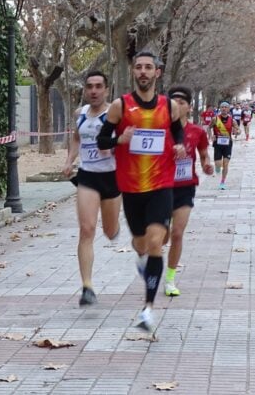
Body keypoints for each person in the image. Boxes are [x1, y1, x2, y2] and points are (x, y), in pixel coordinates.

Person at [96, 51, 185, 331]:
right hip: (131, 187)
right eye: (139, 68)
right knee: (141, 244)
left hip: (161, 185)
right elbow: (102, 141)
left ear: (157, 72)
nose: (144, 72)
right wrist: (119, 139)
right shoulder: (119, 106)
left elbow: (178, 133)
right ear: (134, 72)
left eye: (148, 67)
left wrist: (180, 146)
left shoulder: (169, 106)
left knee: (157, 242)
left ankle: (148, 308)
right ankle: (143, 260)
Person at [61, 71, 121, 306]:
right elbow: (77, 138)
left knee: (108, 230)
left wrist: (114, 148)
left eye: (98, 87)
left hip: (111, 176)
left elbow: (127, 140)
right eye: (89, 87)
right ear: (85, 90)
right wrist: (69, 160)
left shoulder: (115, 115)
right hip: (87, 176)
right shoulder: (80, 114)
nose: (94, 91)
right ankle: (87, 286)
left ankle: (113, 229)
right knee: (86, 230)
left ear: (106, 90)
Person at [164, 86, 213, 297]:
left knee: (177, 233)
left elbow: (203, 155)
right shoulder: (161, 130)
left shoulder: (197, 132)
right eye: (173, 103)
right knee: (161, 236)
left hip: (185, 187)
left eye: (181, 103)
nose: (177, 107)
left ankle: (170, 279)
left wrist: (207, 165)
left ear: (189, 107)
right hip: (161, 187)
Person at [210, 102, 235, 190]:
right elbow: (209, 128)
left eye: (226, 107)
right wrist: (211, 136)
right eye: (222, 107)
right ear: (220, 108)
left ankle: (222, 182)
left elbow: (238, 130)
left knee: (225, 163)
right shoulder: (215, 119)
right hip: (217, 143)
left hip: (228, 144)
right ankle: (217, 167)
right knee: (218, 164)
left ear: (228, 109)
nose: (224, 108)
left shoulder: (232, 120)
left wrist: (237, 132)